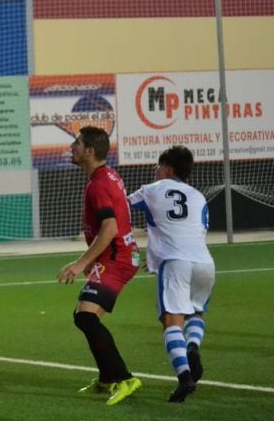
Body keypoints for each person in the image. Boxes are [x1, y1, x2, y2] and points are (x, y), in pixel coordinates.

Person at [57, 126, 142, 406]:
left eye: (77, 144)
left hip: (115, 258)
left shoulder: (99, 183)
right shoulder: (105, 176)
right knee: (84, 317)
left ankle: (124, 378)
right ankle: (107, 379)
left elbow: (109, 228)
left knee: (86, 318)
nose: (72, 148)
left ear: (90, 151)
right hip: (116, 255)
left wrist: (81, 263)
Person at [127, 145, 214, 403]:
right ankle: (193, 346)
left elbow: (120, 207)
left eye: (158, 166)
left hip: (176, 263)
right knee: (195, 312)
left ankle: (184, 377)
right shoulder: (198, 196)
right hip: (205, 262)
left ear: (167, 169)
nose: (155, 171)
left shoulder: (151, 190)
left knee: (170, 321)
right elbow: (195, 231)